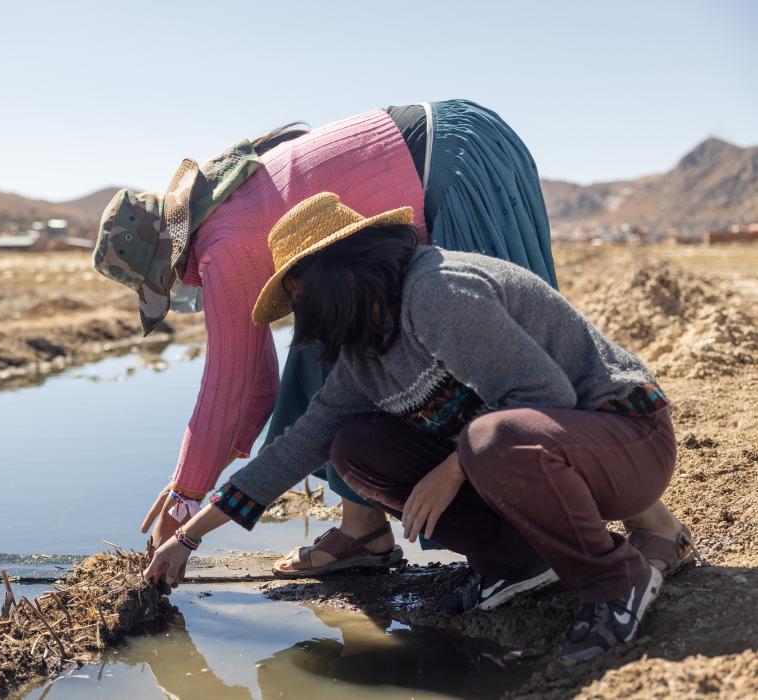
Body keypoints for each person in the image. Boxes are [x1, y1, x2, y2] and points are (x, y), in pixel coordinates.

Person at [95, 100, 689, 577]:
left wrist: (186, 493)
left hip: (457, 167)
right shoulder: (340, 317)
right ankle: (452, 545)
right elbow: (303, 437)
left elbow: (236, 387)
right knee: (349, 415)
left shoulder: (431, 290)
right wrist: (194, 534)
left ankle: (650, 526)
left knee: (498, 396)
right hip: (428, 196)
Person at [144, 194, 686, 664]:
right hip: (543, 461)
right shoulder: (366, 355)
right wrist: (189, 537)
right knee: (355, 448)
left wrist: (451, 472)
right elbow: (295, 449)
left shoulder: (437, 292)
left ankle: (617, 581)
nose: (306, 314)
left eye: (304, 295)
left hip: (626, 441)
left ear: (340, 273)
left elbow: (545, 398)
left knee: (486, 440)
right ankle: (517, 561)